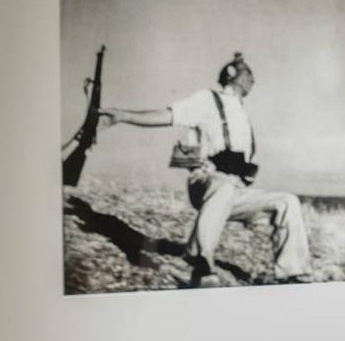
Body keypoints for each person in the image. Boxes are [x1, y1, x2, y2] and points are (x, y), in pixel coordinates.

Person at [100, 52, 311, 288]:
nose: (254, 79)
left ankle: (292, 274)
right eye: (249, 73)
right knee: (223, 185)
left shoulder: (242, 114)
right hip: (207, 182)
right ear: (233, 75)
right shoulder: (208, 100)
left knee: (287, 202)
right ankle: (199, 261)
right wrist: (122, 115)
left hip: (234, 190)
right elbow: (167, 116)